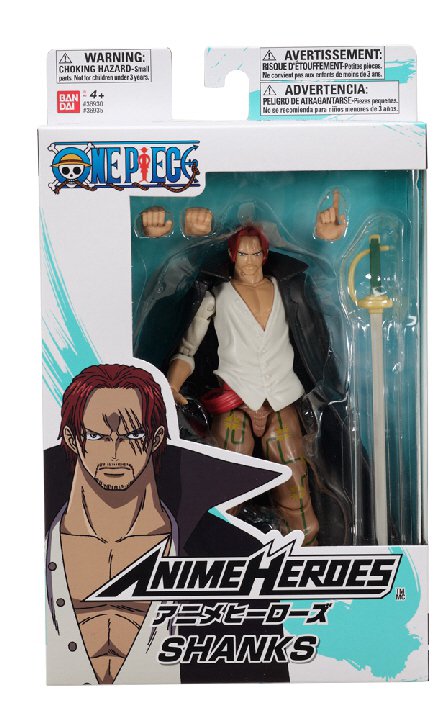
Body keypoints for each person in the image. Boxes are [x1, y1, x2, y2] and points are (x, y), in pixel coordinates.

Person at [45, 363, 287, 684]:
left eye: (133, 435)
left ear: (157, 438)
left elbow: (267, 685)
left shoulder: (239, 557)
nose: (115, 452)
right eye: (97, 435)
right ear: (73, 439)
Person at [139, 198, 353, 547]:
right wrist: (172, 387)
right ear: (232, 256)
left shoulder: (287, 289)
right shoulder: (216, 295)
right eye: (243, 254)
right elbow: (188, 348)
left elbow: (312, 341)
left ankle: (307, 549)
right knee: (229, 474)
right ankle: (213, 546)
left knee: (293, 476)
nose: (250, 261)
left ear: (264, 256)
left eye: (255, 254)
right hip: (234, 399)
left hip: (281, 398)